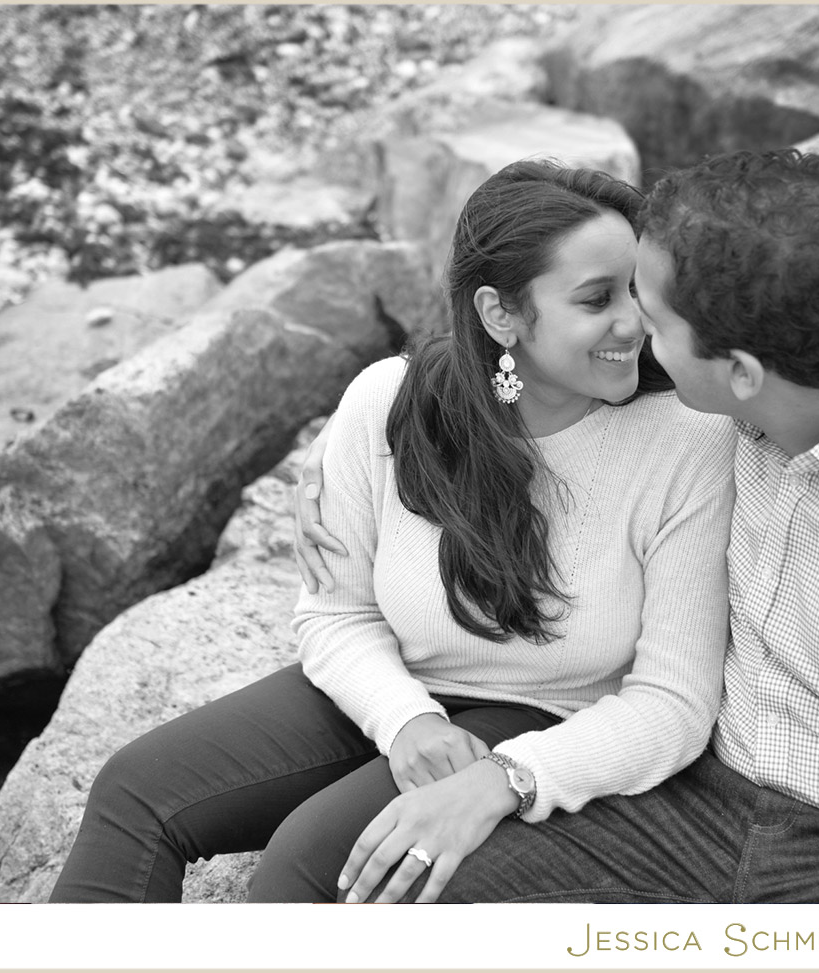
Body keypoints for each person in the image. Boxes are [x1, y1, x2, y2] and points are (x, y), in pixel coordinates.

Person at [296, 149, 819, 903]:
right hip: (691, 809)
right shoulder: (762, 396)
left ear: (742, 372)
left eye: (652, 316)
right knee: (397, 899)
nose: (634, 336)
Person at [48, 159, 737, 903]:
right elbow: (336, 612)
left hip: (553, 717)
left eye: (638, 289)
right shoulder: (390, 401)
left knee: (307, 864)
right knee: (136, 792)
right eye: (598, 298)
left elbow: (674, 701)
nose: (634, 322)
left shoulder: (689, 440)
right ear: (500, 314)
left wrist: (511, 776)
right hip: (399, 685)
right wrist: (405, 720)